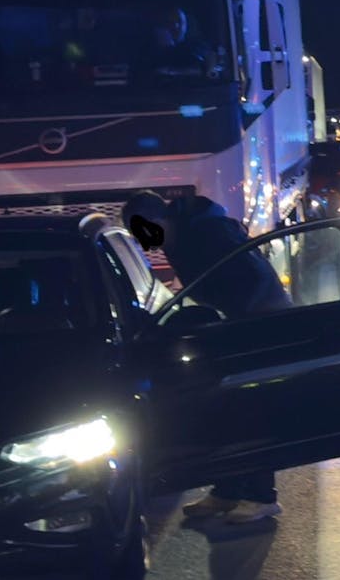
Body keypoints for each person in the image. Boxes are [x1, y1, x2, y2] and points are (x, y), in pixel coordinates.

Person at [120, 190, 291, 524]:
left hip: (258, 325)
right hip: (235, 325)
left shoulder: (207, 234)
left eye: (143, 232)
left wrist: (235, 326)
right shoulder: (184, 232)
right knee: (226, 412)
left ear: (158, 219)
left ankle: (261, 496)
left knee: (251, 411)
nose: (143, 242)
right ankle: (227, 491)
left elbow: (250, 281)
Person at [144, 7, 213, 77]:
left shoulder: (198, 48)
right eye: (170, 22)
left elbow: (206, 69)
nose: (176, 26)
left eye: (180, 22)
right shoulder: (149, 49)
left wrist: (172, 72)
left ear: (186, 25)